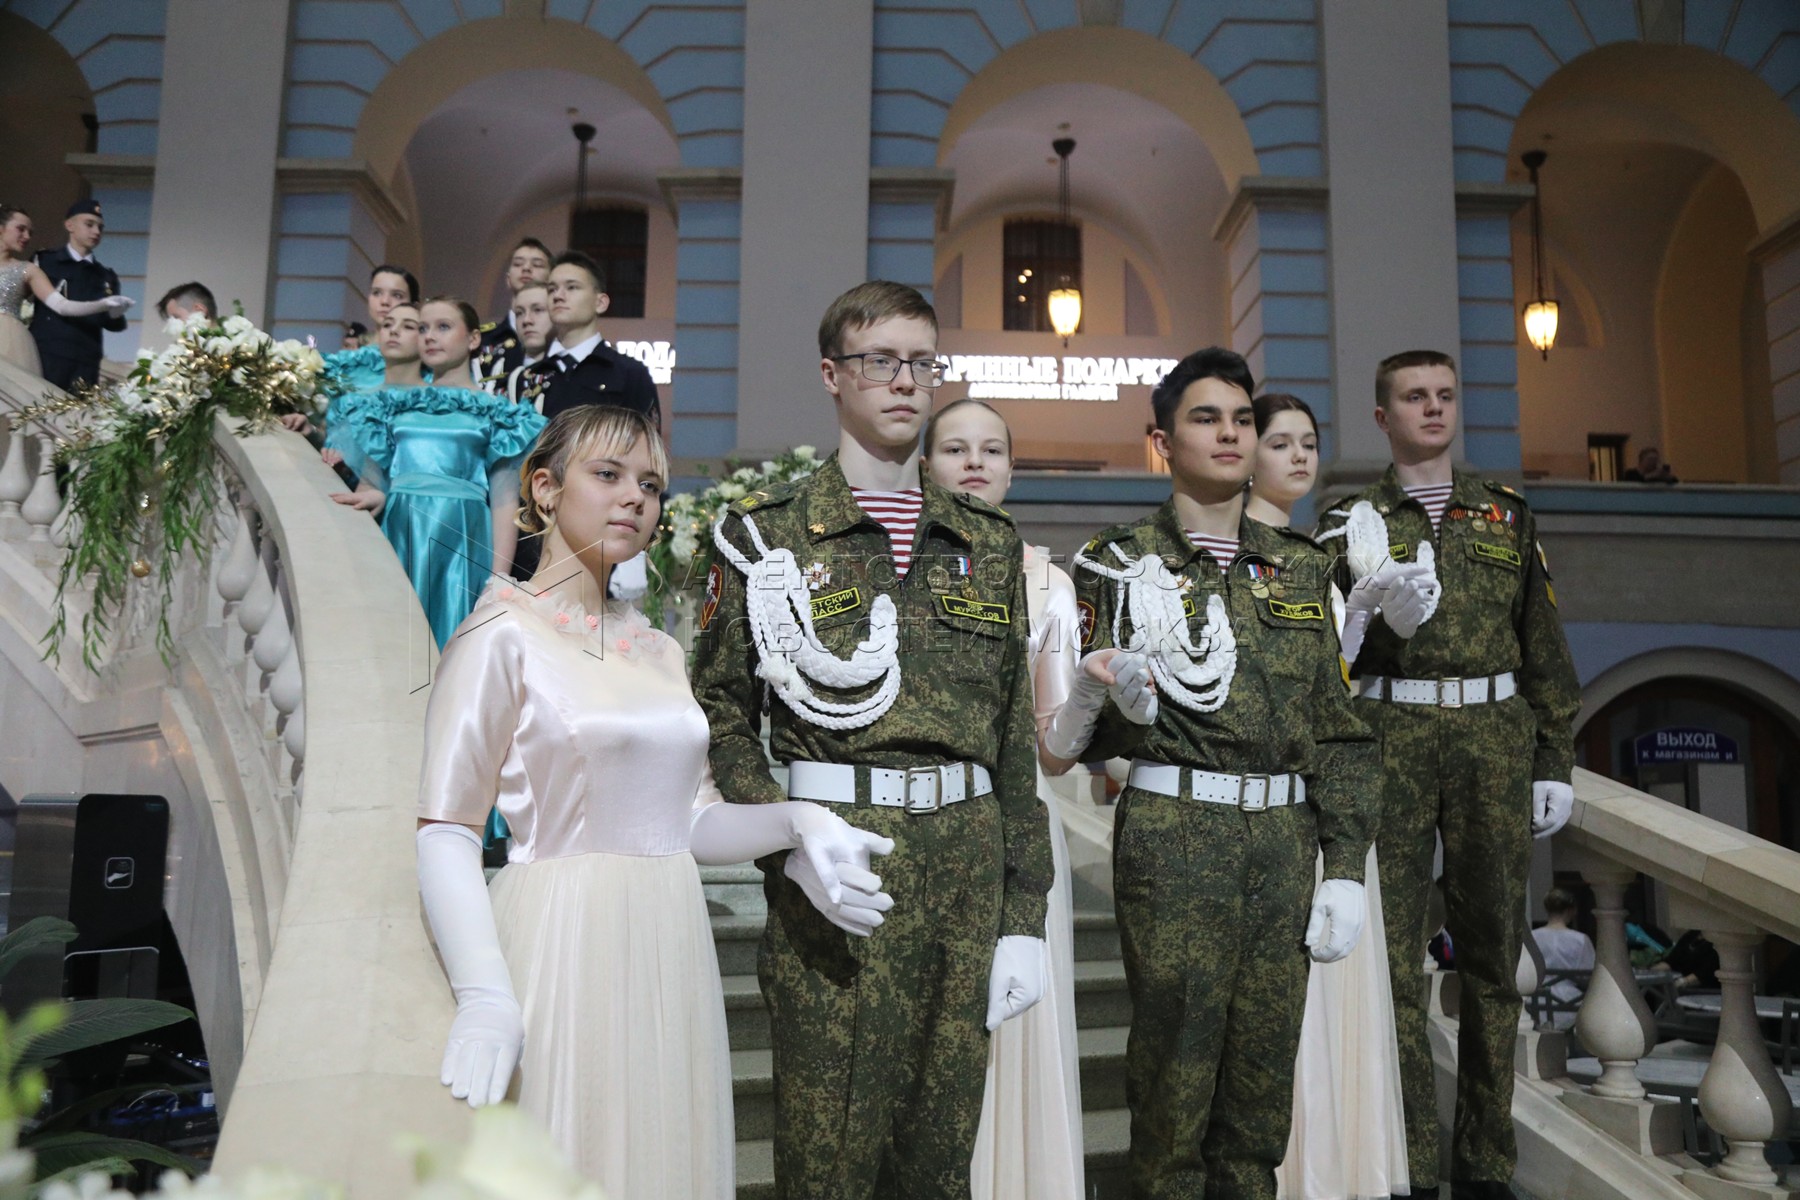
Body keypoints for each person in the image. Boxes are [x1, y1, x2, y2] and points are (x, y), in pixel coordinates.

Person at [415, 404, 895, 1196]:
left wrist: (794, 824)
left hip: (669, 941)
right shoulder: (499, 633)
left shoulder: (663, 649)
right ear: (543, 489)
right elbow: (446, 829)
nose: (634, 498)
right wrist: (484, 995)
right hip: (563, 938)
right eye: (607, 476)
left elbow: (691, 819)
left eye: (650, 485)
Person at [691, 280, 1053, 1199]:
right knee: (830, 1163)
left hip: (967, 869)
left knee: (938, 1162)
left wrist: (1024, 918)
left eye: (922, 362)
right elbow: (721, 715)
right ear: (831, 375)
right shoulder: (762, 541)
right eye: (879, 361)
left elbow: (1012, 738)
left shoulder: (987, 541)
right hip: (840, 863)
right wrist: (786, 835)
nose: (905, 381)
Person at [1067, 348, 1378, 1199]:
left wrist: (1346, 866)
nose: (1230, 433)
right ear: (1160, 441)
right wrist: (1106, 704)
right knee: (1172, 1092)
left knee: (1259, 1098)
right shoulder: (1115, 560)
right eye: (1206, 418)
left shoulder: (1304, 566)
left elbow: (1340, 733)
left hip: (1283, 843)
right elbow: (1086, 743)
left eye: (1242, 419)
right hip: (1176, 837)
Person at [1315, 349, 1580, 1200]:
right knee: (1389, 961)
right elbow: (1325, 649)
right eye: (1413, 398)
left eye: (1444, 395)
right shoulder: (1346, 516)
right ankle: (1409, 1166)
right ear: (1382, 416)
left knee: (1494, 960)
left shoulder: (1507, 514)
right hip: (1389, 731)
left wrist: (1555, 756)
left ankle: (1487, 1165)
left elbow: (1543, 644)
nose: (1433, 409)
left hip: (1492, 736)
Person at [1246, 393, 1411, 1200]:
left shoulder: (1322, 558)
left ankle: (1343, 1172)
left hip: (1333, 799)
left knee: (1341, 996)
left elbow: (1336, 694)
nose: (1300, 457)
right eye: (1280, 442)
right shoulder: (1227, 557)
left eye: (1309, 442)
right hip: (1267, 802)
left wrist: (1363, 622)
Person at [923, 398, 1084, 1200]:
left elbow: (1054, 750)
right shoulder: (894, 568)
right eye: (955, 448)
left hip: (1015, 822)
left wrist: (1094, 697)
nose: (975, 462)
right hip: (924, 821)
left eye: (991, 450)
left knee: (1011, 1023)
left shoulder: (1048, 585)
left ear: (1013, 469)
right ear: (927, 465)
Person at [326, 297, 545, 648]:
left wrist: (499, 579)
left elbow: (505, 500)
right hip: (402, 528)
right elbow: (375, 481)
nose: (430, 336)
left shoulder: (500, 413)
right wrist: (374, 492)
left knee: (451, 640)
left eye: (443, 327)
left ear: (473, 339)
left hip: (462, 535)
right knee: (394, 640)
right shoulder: (388, 405)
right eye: (424, 328)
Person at [507, 251, 659, 580]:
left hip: (601, 531)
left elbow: (648, 463)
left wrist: (637, 550)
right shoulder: (528, 377)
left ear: (601, 301)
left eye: (572, 287)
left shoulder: (628, 373)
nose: (558, 295)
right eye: (552, 289)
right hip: (532, 528)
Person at [0, 203, 133, 378]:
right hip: (48, 350)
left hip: (79, 355)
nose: (27, 236)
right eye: (21, 229)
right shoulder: (45, 260)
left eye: (30, 232)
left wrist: (106, 306)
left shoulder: (29, 269)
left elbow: (63, 306)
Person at [473, 237, 553, 387]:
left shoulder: (559, 339)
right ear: (508, 279)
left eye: (537, 264)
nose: (526, 268)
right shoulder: (483, 340)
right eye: (518, 263)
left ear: (551, 279)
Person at [1531, 887, 1594, 1030]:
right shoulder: (1580, 940)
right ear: (1571, 910)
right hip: (1571, 1002)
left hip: (1537, 1002)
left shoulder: (1533, 937)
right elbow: (1589, 975)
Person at [499, 283, 553, 402]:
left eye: (538, 310)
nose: (526, 320)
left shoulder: (569, 375)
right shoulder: (500, 370)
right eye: (519, 313)